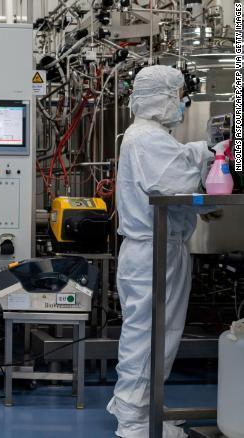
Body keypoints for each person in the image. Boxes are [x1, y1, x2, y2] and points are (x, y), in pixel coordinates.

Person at [108, 65, 226, 438]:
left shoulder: (151, 137)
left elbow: (178, 182)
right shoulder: (145, 137)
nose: (182, 104)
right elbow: (173, 185)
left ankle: (142, 409)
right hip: (153, 251)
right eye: (177, 96)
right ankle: (134, 422)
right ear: (161, 97)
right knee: (149, 335)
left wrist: (201, 154)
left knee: (156, 333)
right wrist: (210, 155)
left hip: (158, 249)